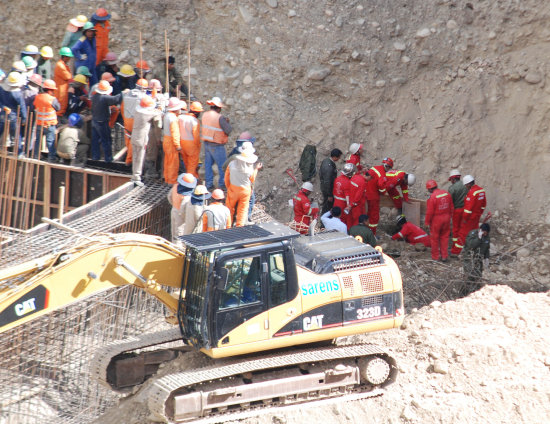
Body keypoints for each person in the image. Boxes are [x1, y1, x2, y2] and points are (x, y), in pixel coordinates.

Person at [225, 142, 261, 227]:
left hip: (233, 189)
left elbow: (226, 178)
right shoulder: (250, 168)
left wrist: (229, 187)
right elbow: (252, 179)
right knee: (243, 210)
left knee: (229, 209)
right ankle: (239, 226)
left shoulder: (232, 164)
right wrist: (256, 169)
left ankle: (228, 226)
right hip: (245, 191)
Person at [201, 96, 232, 190]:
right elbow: (228, 130)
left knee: (208, 165)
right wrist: (227, 123)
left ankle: (209, 184)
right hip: (217, 145)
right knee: (222, 166)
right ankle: (222, 185)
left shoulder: (205, 114)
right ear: (218, 108)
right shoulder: (220, 117)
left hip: (206, 143)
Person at [130, 96, 162, 184]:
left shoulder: (138, 111)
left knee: (135, 157)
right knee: (140, 158)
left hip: (134, 137)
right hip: (141, 138)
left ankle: (135, 175)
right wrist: (159, 107)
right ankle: (137, 178)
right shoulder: (148, 114)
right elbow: (158, 120)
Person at [454, 175, 487, 255]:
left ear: (468, 184)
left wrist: (464, 219)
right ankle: (473, 249)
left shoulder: (472, 193)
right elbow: (483, 204)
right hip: (476, 216)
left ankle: (455, 252)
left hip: (469, 218)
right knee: (474, 233)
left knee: (462, 234)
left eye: (466, 185)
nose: (466, 187)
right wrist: (480, 213)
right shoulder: (481, 190)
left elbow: (468, 209)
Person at [90, 80, 122, 162]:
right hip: (102, 122)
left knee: (95, 141)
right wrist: (124, 93)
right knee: (106, 141)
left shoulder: (94, 97)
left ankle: (95, 158)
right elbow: (116, 99)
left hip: (94, 121)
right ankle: (108, 159)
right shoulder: (104, 98)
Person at [120, 78, 148, 165]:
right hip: (136, 121)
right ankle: (129, 161)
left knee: (128, 139)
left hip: (127, 120)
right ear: (143, 88)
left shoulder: (127, 94)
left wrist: (124, 118)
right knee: (134, 141)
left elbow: (122, 108)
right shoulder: (143, 97)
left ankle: (129, 159)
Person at [425, 179, 453, 261]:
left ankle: (436, 257)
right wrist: (450, 217)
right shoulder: (446, 193)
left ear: (430, 189)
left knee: (434, 238)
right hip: (447, 218)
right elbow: (451, 207)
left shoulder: (432, 197)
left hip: (436, 220)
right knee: (445, 237)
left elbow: (429, 212)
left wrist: (427, 222)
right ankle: (444, 256)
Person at [33, 79, 60, 161]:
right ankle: (51, 158)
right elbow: (58, 108)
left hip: (39, 123)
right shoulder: (52, 99)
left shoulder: (37, 97)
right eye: (53, 90)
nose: (53, 92)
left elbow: (34, 106)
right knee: (50, 141)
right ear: (49, 90)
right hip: (49, 124)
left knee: (38, 140)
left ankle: (36, 155)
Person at [2, 72, 27, 156]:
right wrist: (24, 119)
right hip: (13, 115)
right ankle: (19, 153)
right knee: (16, 135)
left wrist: (3, 107)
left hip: (3, 113)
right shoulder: (18, 94)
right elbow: (22, 107)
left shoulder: (2, 90)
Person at [364, 157, 392, 235]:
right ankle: (372, 234)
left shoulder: (375, 168)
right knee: (374, 216)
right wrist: (384, 192)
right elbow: (381, 186)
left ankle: (365, 231)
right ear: (388, 167)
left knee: (365, 213)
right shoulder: (382, 174)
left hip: (365, 193)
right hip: (373, 196)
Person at [462, 223, 491, 293]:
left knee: (478, 276)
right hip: (469, 258)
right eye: (484, 232)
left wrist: (486, 258)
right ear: (481, 230)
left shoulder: (487, 237)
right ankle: (465, 292)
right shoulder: (472, 234)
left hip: (478, 259)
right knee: (469, 276)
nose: (485, 234)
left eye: (487, 233)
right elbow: (471, 246)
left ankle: (476, 292)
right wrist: (478, 238)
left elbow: (486, 248)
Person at [162, 97, 185, 184]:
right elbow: (175, 133)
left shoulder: (167, 115)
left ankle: (167, 178)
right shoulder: (173, 119)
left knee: (167, 161)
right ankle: (172, 181)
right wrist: (178, 145)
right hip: (171, 142)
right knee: (173, 163)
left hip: (166, 140)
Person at [169, 173, 197, 243]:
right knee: (179, 233)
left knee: (174, 231)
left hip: (174, 210)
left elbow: (169, 197)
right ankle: (178, 250)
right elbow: (184, 210)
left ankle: (173, 245)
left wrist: (174, 205)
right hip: (181, 215)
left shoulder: (175, 186)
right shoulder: (187, 197)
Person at [448, 169, 470, 256]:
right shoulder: (465, 185)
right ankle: (462, 246)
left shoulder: (452, 188)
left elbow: (450, 202)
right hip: (465, 210)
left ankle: (455, 248)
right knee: (463, 228)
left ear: (453, 179)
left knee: (456, 229)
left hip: (457, 211)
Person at [178, 100, 202, 178]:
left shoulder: (180, 117)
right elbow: (196, 136)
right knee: (192, 164)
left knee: (186, 162)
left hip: (182, 142)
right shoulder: (195, 121)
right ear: (197, 112)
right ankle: (190, 179)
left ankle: (190, 176)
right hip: (191, 144)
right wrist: (198, 145)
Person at [319, 148, 342, 215]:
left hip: (324, 187)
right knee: (327, 207)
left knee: (326, 206)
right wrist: (330, 195)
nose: (339, 159)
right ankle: (323, 223)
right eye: (339, 157)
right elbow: (328, 181)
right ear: (335, 157)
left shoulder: (326, 161)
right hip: (327, 190)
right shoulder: (329, 167)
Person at [333, 163, 355, 228]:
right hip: (343, 204)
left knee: (336, 218)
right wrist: (348, 205)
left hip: (336, 201)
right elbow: (347, 195)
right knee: (343, 219)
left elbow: (334, 191)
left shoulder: (337, 179)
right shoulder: (347, 182)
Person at [54, 47, 74, 117]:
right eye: (69, 57)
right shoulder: (60, 66)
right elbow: (68, 76)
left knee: (63, 103)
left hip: (63, 87)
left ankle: (60, 116)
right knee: (61, 103)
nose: (69, 59)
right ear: (65, 57)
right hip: (60, 89)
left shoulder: (63, 65)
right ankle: (58, 117)